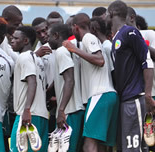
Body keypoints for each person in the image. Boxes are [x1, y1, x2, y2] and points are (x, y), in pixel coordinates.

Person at [63, 13, 119, 152]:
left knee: (89, 143)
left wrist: (73, 49)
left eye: (72, 28)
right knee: (101, 145)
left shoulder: (88, 37)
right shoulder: (92, 41)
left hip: (99, 95)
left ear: (76, 27)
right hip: (108, 96)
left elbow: (99, 60)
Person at [106, 1, 155, 151]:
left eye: (106, 14)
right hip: (125, 100)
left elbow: (147, 61)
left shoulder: (130, 32)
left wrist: (147, 95)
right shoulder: (115, 39)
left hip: (135, 98)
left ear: (112, 14)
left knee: (135, 149)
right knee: (128, 148)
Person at [10, 26, 49, 152]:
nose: (12, 40)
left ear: (26, 41)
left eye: (16, 38)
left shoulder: (25, 57)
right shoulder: (38, 59)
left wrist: (26, 110)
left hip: (27, 115)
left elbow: (32, 82)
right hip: (42, 115)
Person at [48, 23, 85, 152]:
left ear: (56, 35)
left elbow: (69, 81)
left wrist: (61, 110)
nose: (47, 40)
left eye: (49, 36)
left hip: (70, 110)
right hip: (75, 109)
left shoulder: (61, 51)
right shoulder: (70, 50)